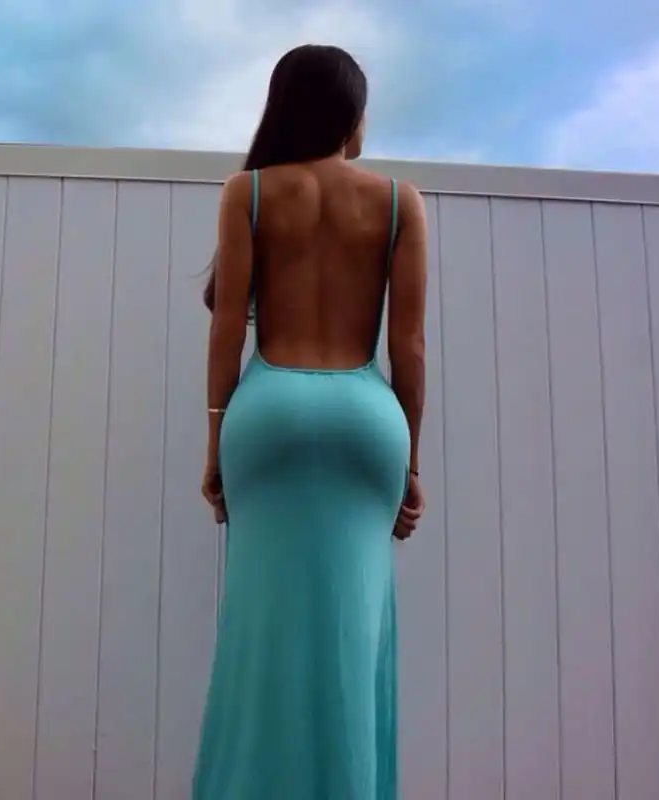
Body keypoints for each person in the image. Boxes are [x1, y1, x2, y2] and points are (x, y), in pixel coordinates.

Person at [195, 43, 427, 800]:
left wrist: (215, 442)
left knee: (260, 630)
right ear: (350, 116)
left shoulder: (249, 193)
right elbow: (409, 346)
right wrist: (409, 464)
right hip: (367, 419)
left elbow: (226, 331)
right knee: (355, 630)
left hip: (268, 415)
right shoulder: (399, 202)